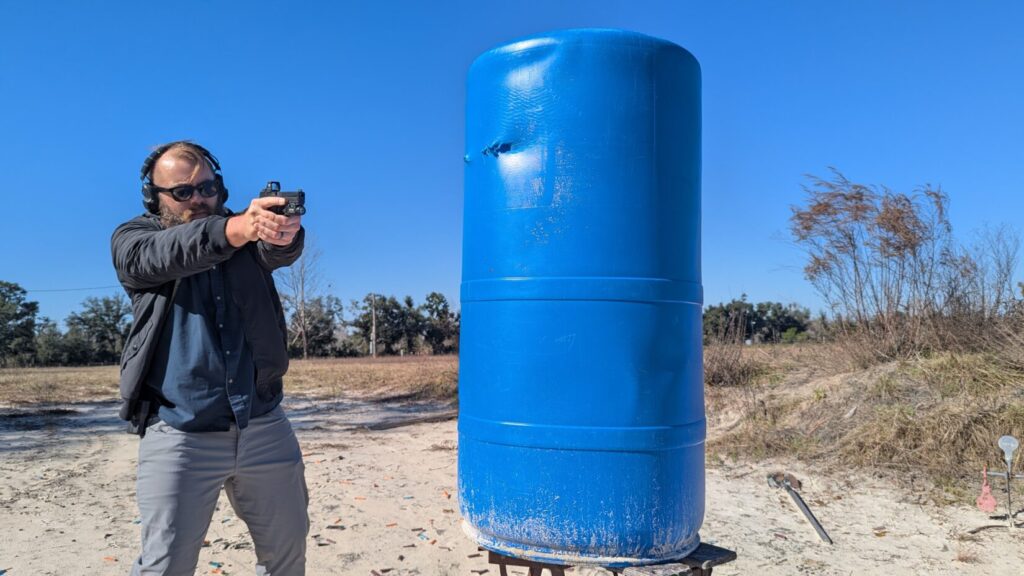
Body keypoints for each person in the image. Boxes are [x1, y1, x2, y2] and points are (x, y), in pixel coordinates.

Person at [111, 141, 309, 575]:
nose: (199, 199)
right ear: (154, 198)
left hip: (263, 423)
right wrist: (237, 229)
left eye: (207, 187)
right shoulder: (134, 239)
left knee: (288, 558)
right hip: (180, 431)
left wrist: (282, 232)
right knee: (165, 566)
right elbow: (168, 254)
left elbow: (277, 251)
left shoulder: (245, 231)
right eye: (182, 192)